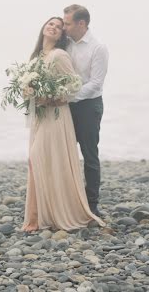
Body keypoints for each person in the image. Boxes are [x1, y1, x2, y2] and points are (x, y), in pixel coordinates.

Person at [22, 16, 104, 232]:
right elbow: (29, 85)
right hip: (41, 116)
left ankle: (61, 212)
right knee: (40, 161)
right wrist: (28, 92)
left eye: (59, 27)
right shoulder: (37, 57)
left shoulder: (60, 55)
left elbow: (73, 84)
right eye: (50, 24)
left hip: (56, 115)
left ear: (61, 36)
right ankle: (38, 216)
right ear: (43, 27)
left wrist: (52, 98)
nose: (54, 27)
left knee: (42, 158)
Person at [63, 5, 108, 218]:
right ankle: (69, 200)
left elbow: (96, 83)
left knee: (89, 154)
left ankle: (92, 204)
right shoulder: (66, 43)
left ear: (81, 24)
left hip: (89, 106)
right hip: (66, 106)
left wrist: (69, 96)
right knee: (65, 152)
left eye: (68, 23)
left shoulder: (98, 48)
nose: (64, 26)